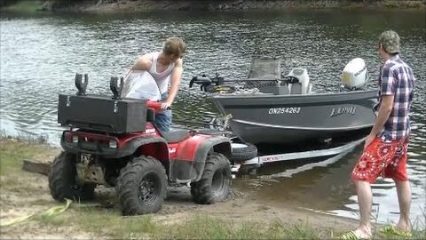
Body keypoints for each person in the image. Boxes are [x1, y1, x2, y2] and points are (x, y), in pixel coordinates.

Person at [344, 30, 415, 239]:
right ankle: (404, 224)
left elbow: (387, 105)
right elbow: (407, 103)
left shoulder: (388, 68)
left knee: (360, 175)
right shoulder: (407, 68)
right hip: (404, 134)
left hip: (389, 135)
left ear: (381, 47)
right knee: (401, 177)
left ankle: (365, 229)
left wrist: (372, 134)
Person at [124, 36, 186, 132]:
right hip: (141, 96)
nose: (180, 59)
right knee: (133, 128)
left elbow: (175, 84)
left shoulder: (177, 62)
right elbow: (129, 79)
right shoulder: (145, 62)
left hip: (161, 96)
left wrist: (168, 102)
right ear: (171, 56)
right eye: (179, 56)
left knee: (164, 127)